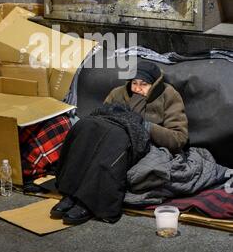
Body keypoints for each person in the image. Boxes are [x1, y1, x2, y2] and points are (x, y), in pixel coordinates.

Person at [50, 61, 188, 225]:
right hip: (113, 135)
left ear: (155, 85)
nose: (137, 88)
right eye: (134, 83)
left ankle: (89, 202)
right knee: (87, 126)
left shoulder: (168, 95)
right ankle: (70, 193)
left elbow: (179, 138)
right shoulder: (119, 93)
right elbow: (103, 119)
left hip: (143, 143)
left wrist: (145, 125)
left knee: (114, 141)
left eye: (144, 84)